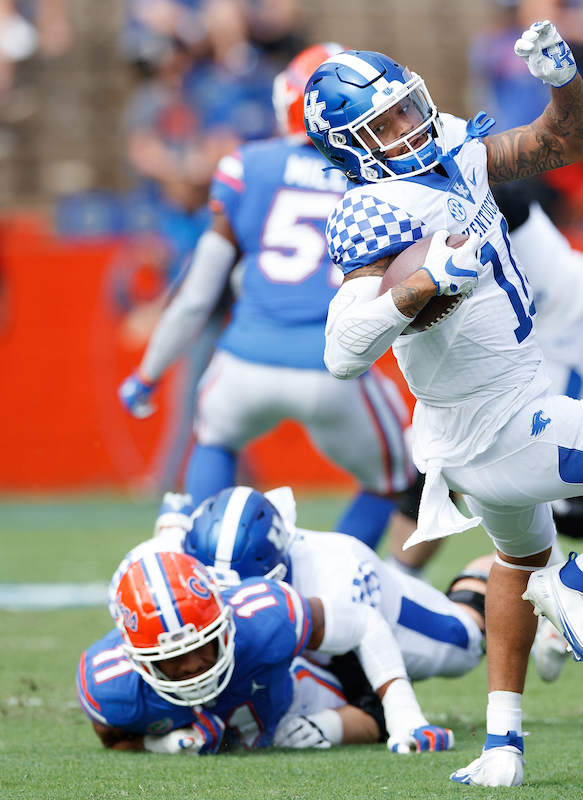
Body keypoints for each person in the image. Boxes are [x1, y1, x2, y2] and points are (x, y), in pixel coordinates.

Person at [303, 25, 583, 786]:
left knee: (518, 562)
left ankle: (502, 747)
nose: (410, 125)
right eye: (385, 124)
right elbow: (342, 349)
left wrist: (562, 78)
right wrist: (425, 283)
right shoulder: (373, 208)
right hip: (509, 430)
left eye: (408, 106)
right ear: (349, 148)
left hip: (479, 430)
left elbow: (562, 140)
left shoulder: (451, 150)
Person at [113, 484, 583, 740]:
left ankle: (536, 583)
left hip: (378, 620)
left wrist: (373, 721)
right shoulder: (185, 560)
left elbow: (368, 664)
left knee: (467, 639)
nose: (230, 599)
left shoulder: (334, 571)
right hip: (313, 622)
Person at [118, 43, 419, 552]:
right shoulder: (381, 175)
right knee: (393, 479)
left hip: (244, 360)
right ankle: (335, 582)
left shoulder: (247, 165)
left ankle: (206, 574)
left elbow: (196, 295)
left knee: (214, 440)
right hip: (333, 364)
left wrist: (147, 375)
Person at [79, 551, 453, 754]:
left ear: (225, 622)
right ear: (138, 656)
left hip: (291, 698)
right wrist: (161, 743)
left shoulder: (265, 617)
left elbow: (364, 623)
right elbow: (113, 738)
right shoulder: (111, 686)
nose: (194, 665)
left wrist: (403, 715)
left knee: (460, 644)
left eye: (203, 643)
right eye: (172, 657)